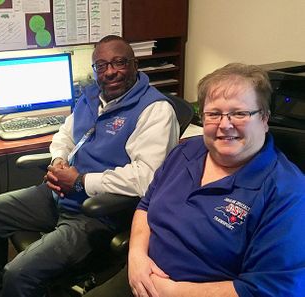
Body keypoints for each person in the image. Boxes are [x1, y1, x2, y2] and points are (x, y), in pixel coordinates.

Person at [0, 35, 179, 297]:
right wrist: (58, 161)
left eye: (119, 63)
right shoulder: (90, 98)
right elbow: (64, 135)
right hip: (59, 194)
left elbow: (146, 178)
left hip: (96, 213)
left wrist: (80, 181)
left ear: (135, 65)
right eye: (101, 66)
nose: (110, 72)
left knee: (18, 273)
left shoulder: (154, 110)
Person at [84, 63, 305, 297]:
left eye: (239, 113)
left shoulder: (287, 192)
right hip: (141, 277)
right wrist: (136, 257)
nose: (225, 124)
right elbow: (146, 206)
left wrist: (171, 291)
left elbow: (272, 289)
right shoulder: (186, 151)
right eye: (214, 113)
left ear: (264, 118)